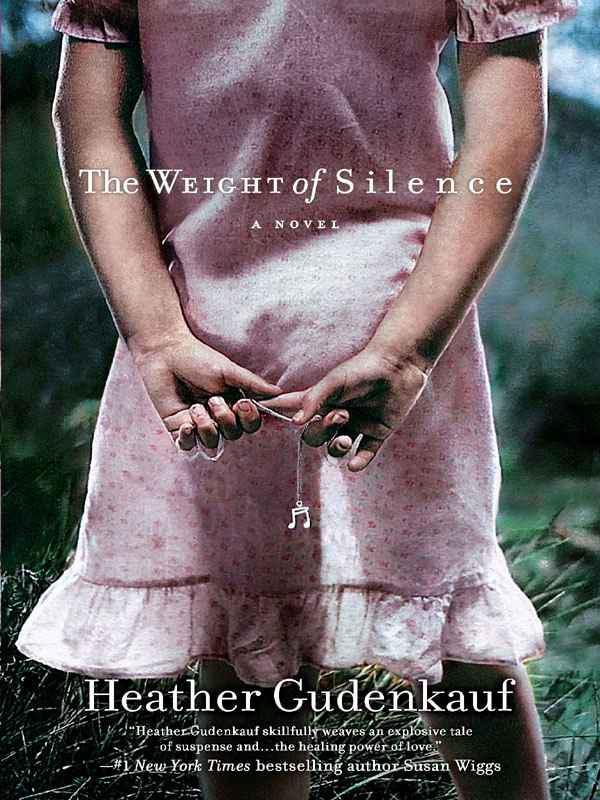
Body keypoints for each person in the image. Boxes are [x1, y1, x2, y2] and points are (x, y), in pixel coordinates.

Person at [17, 1, 580, 798]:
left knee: (253, 640)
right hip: (366, 318)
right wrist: (405, 349)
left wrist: (157, 333)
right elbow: (503, 133)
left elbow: (89, 121)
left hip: (223, 326)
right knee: (447, 624)